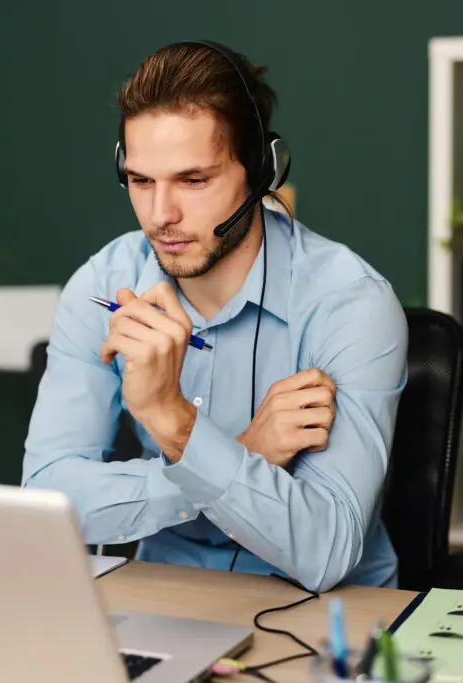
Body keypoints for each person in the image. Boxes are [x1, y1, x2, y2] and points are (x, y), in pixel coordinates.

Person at [22, 39, 408, 593]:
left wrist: (174, 421)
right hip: (166, 594)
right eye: (140, 180)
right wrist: (241, 454)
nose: (161, 216)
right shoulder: (105, 285)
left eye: (194, 180)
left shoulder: (349, 303)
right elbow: (47, 499)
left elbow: (327, 550)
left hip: (326, 615)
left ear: (262, 170)